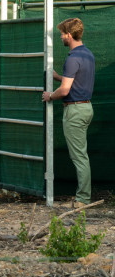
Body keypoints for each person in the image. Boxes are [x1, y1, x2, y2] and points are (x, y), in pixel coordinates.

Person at [42, 17, 95, 209]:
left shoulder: (72, 59)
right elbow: (74, 82)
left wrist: (50, 96)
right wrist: (58, 77)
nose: (61, 37)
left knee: (79, 157)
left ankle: (82, 199)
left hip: (75, 110)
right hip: (86, 107)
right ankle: (84, 196)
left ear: (69, 35)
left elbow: (64, 91)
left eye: (62, 34)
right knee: (82, 155)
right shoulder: (88, 54)